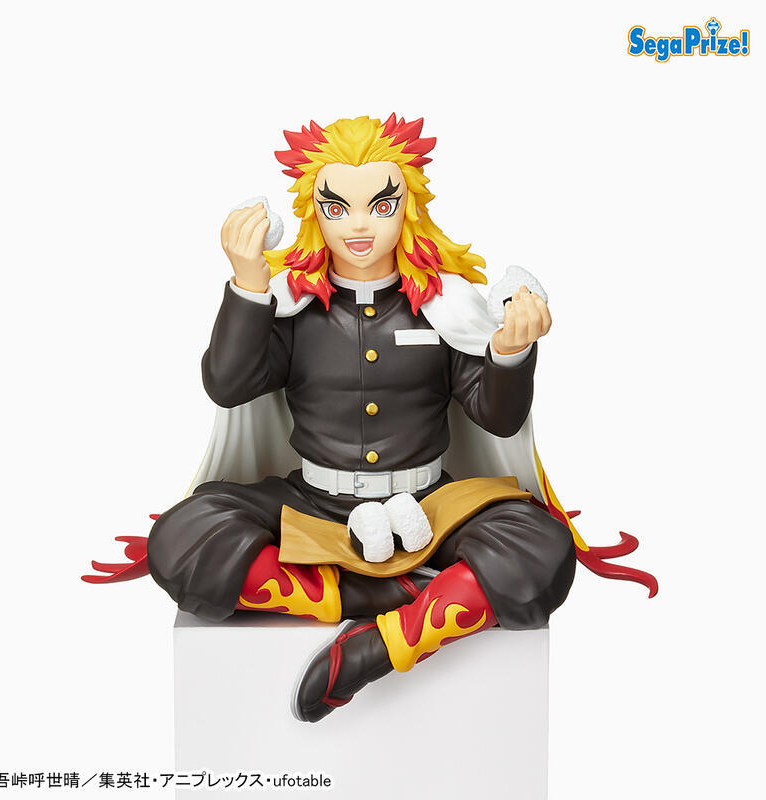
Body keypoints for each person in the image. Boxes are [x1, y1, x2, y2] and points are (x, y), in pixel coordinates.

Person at [85, 115, 656, 723]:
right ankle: (397, 594)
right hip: (312, 503)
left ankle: (379, 645)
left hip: (431, 507)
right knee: (182, 542)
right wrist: (249, 285)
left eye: (380, 206)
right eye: (337, 208)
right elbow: (227, 387)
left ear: (409, 207)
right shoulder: (294, 308)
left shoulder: (444, 306)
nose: (359, 226)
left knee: (541, 551)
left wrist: (510, 351)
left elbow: (497, 417)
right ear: (314, 213)